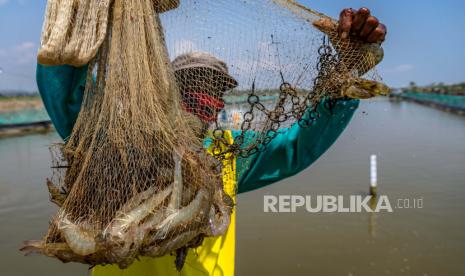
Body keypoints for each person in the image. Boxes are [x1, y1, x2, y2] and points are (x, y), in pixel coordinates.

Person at [36, 7, 386, 276]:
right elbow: (65, 93)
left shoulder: (232, 152)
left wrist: (347, 70)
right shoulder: (117, 137)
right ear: (165, 89)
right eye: (192, 84)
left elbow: (297, 148)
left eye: (215, 89)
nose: (205, 97)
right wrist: (85, 13)